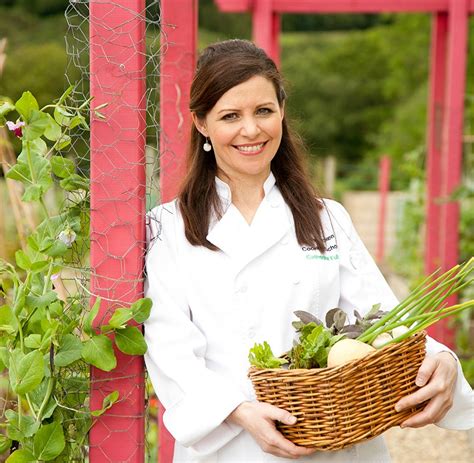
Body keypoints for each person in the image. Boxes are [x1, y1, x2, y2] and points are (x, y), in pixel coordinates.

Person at [144, 39, 473, 462]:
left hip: (336, 442)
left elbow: (383, 318)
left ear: (281, 109)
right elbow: (170, 346)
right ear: (202, 124)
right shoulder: (168, 228)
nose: (251, 130)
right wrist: (239, 411)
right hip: (232, 445)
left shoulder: (325, 217)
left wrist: (440, 360)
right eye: (230, 116)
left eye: (263, 110)